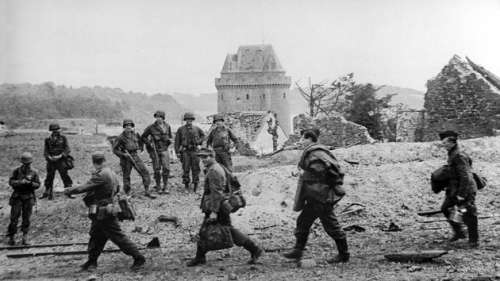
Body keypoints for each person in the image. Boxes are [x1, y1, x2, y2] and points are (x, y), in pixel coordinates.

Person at [64, 152, 146, 271]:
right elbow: (118, 189)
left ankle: (138, 257)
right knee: (96, 236)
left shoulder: (101, 175)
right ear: (103, 160)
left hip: (104, 211)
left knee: (118, 236)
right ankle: (92, 261)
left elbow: (84, 187)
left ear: (94, 162)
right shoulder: (111, 172)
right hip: (103, 210)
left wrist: (68, 190)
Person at [186, 148, 263, 266]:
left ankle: (254, 249)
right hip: (220, 205)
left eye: (206, 157)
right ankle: (200, 256)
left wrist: (214, 211)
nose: (203, 160)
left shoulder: (214, 171)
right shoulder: (216, 167)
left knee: (209, 230)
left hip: (217, 206)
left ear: (212, 156)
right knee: (221, 230)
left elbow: (217, 193)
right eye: (201, 157)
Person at [283, 128, 349, 263]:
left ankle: (344, 254)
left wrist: (305, 174)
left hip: (321, 196)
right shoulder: (315, 152)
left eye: (303, 138)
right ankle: (298, 250)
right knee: (303, 221)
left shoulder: (316, 153)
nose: (301, 141)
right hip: (315, 196)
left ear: (309, 139)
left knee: (331, 226)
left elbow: (323, 172)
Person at [438, 130, 479, 247]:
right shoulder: (452, 153)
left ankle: (474, 240)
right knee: (446, 208)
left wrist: (461, 194)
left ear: (452, 142)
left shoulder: (459, 155)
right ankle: (459, 233)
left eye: (445, 143)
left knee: (469, 212)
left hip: (466, 189)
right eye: (443, 142)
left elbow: (466, 176)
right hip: (454, 189)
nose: (443, 145)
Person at [112, 119, 155, 199]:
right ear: (124, 127)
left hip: (135, 156)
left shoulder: (135, 134)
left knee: (145, 172)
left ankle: (147, 191)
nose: (128, 127)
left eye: (130, 125)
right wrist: (123, 154)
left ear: (132, 126)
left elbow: (140, 141)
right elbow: (114, 149)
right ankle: (127, 193)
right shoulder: (120, 137)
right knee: (126, 176)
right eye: (127, 125)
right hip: (126, 158)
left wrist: (141, 149)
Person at [6, 152, 40, 245]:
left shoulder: (34, 172)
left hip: (28, 197)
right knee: (14, 218)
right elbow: (11, 182)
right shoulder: (16, 171)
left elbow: (38, 184)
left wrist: (30, 184)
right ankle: (11, 237)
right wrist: (20, 182)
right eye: (25, 163)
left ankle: (25, 237)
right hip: (17, 197)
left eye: (28, 163)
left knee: (26, 218)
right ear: (22, 163)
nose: (27, 165)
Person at [142, 110, 173, 194]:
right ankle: (158, 186)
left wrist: (169, 141)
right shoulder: (151, 127)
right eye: (157, 117)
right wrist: (149, 144)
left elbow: (170, 136)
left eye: (160, 117)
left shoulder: (167, 126)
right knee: (157, 169)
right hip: (155, 151)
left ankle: (165, 186)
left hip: (165, 150)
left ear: (163, 118)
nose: (158, 119)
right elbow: (143, 137)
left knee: (166, 168)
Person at [40, 123, 73, 200]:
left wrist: (60, 156)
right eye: (53, 130)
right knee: (49, 177)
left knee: (65, 176)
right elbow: (45, 151)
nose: (55, 132)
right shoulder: (47, 139)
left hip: (61, 161)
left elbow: (67, 149)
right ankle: (47, 192)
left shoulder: (63, 138)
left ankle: (69, 191)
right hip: (51, 161)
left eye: (57, 130)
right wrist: (49, 157)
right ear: (51, 131)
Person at [174, 112, 205, 192]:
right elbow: (177, 141)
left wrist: (199, 142)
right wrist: (177, 152)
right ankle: (186, 185)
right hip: (185, 151)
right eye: (187, 119)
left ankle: (195, 185)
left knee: (196, 168)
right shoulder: (181, 129)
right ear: (185, 120)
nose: (189, 121)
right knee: (186, 168)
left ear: (192, 120)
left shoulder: (197, 129)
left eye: (190, 119)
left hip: (195, 151)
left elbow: (203, 136)